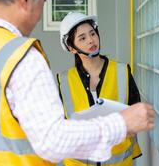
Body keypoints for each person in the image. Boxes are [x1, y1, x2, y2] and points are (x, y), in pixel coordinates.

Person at [0, 0, 155, 165]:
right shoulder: (20, 57)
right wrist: (121, 123)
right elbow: (53, 140)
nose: (40, 14)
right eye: (42, 3)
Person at [57, 12, 143, 166]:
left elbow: (137, 115)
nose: (91, 40)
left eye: (93, 33)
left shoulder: (122, 72)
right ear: (72, 48)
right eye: (82, 38)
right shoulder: (64, 81)